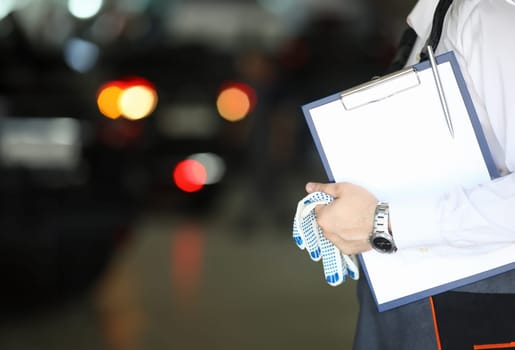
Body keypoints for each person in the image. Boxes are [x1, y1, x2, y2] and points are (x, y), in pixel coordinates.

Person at [304, 0, 515, 349]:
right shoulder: (429, 21)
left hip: (470, 307)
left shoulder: (489, 16)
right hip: (401, 293)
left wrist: (383, 223)